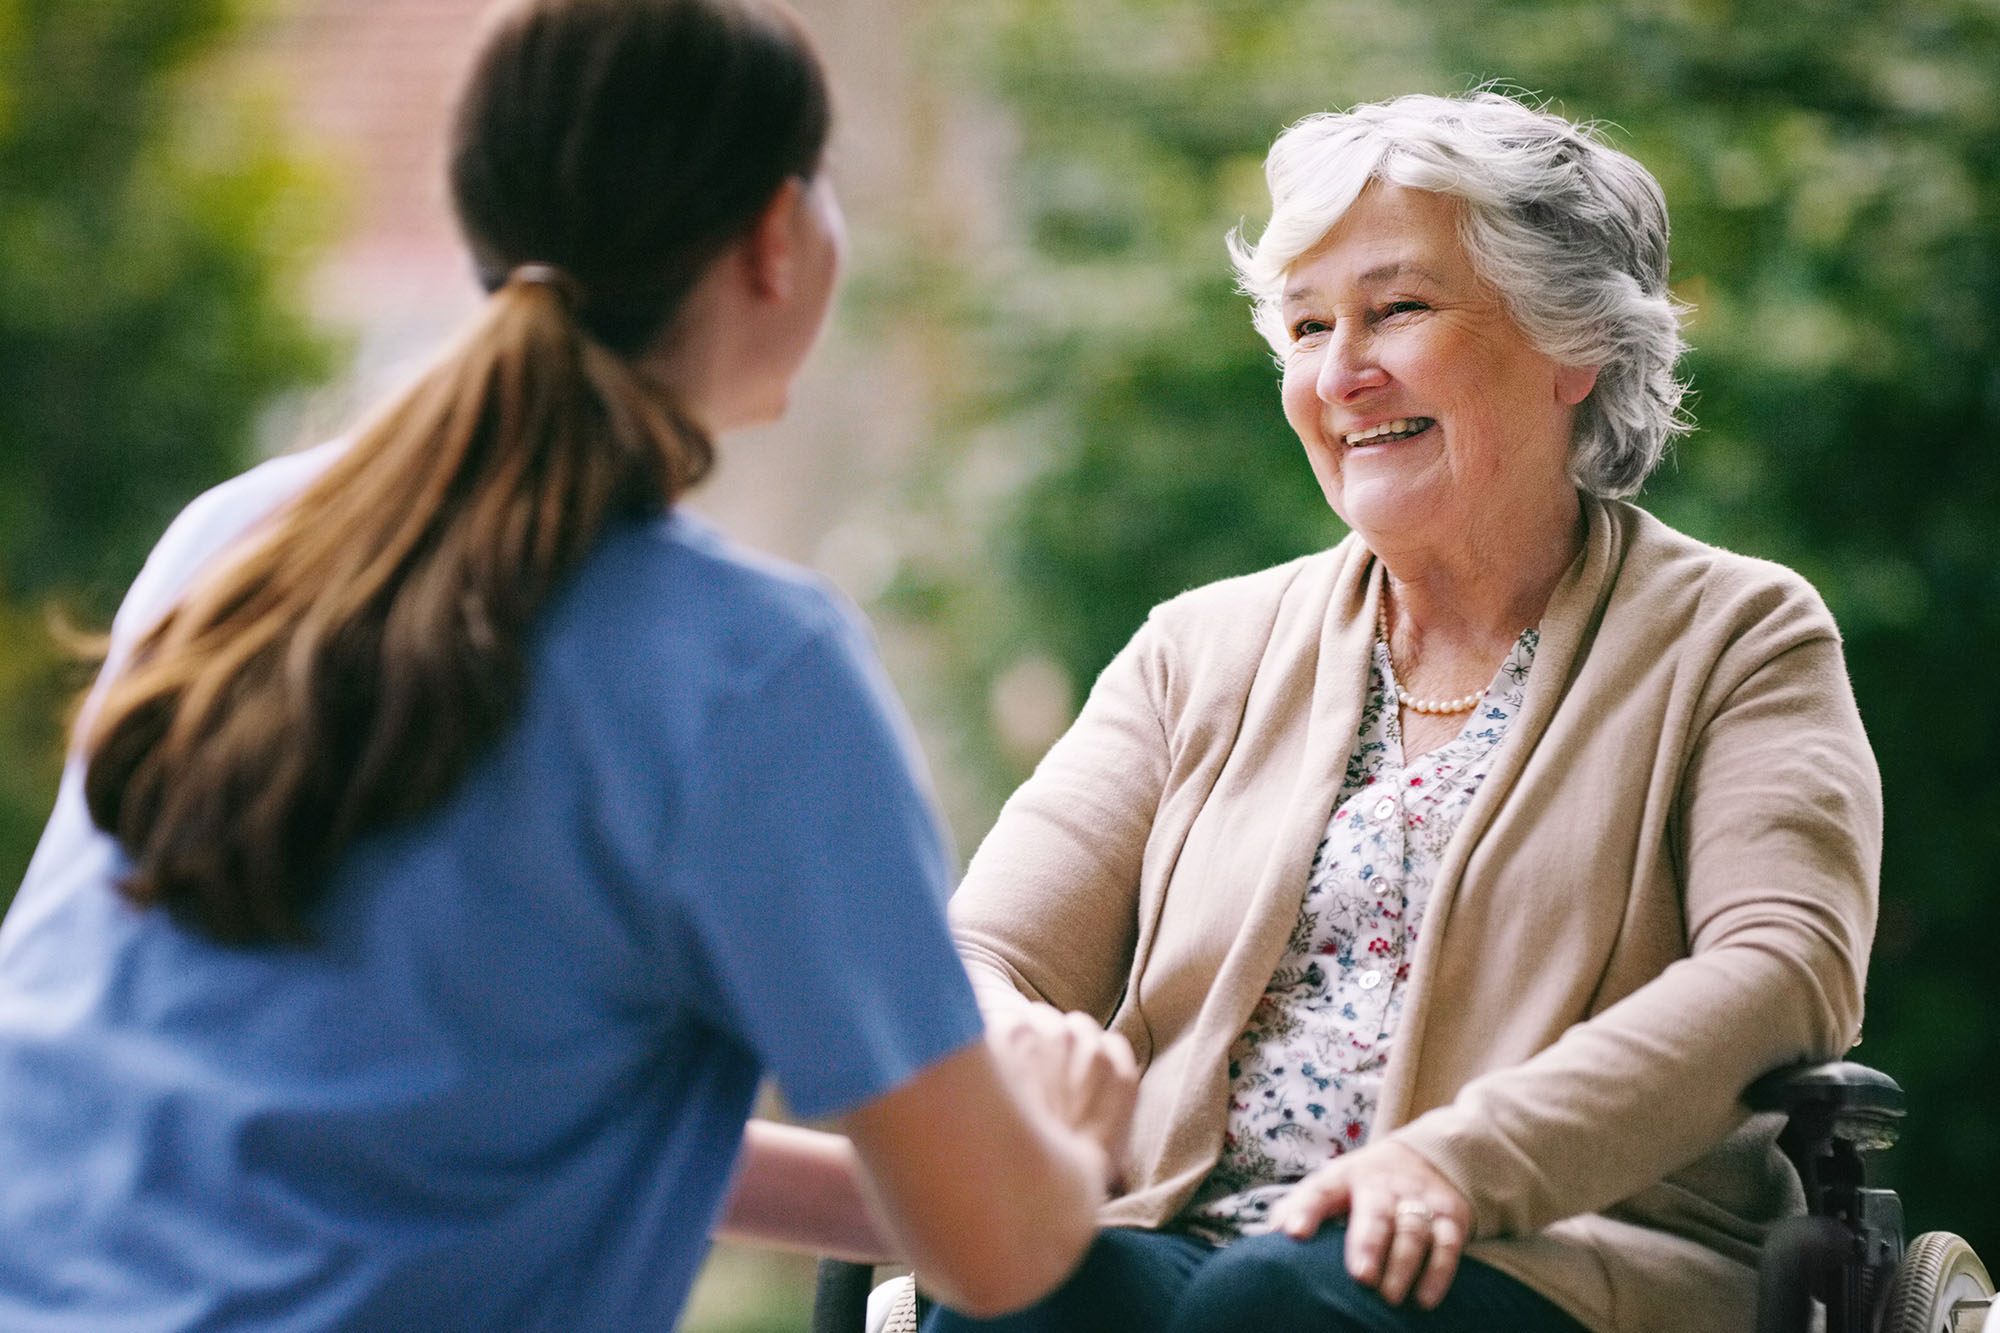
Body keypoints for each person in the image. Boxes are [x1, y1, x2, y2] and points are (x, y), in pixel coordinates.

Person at [0, 1, 1135, 1328]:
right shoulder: (753, 673)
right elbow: (1004, 1257)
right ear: (776, 238)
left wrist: (924, 1181)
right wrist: (1059, 1140)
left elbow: (419, 1119)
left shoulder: (239, 538)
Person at [928, 91, 1879, 1333]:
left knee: (1271, 1308)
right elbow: (982, 956)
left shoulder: (1737, 636)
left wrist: (1457, 1161)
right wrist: (1019, 1050)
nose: (1338, 373)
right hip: (1188, 1237)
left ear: (1571, 342)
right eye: (1307, 325)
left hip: (1552, 1255)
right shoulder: (1195, 650)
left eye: (1397, 310)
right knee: (1020, 1294)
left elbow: (1782, 968)